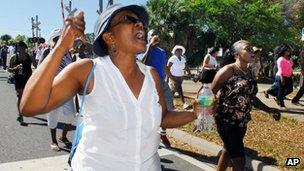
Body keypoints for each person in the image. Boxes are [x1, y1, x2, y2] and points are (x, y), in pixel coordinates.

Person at [20, 4, 197, 170]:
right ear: (109, 37)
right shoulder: (88, 70)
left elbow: (162, 118)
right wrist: (61, 47)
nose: (140, 25)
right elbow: (29, 106)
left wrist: (196, 113)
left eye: (141, 22)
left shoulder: (151, 75)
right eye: (129, 19)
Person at [211, 40, 280, 171]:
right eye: (247, 49)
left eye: (251, 49)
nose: (252, 51)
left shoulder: (248, 72)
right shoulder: (228, 70)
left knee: (227, 150)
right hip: (226, 120)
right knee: (239, 159)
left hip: (242, 121)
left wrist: (269, 110)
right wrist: (201, 117)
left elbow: (251, 97)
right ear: (237, 54)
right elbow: (209, 93)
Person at [39, 29, 76, 151]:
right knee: (52, 115)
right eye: (56, 38)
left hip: (67, 89)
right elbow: (40, 70)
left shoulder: (68, 53)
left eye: (61, 37)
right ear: (53, 40)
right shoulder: (47, 52)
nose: (59, 40)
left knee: (71, 115)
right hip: (52, 88)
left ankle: (63, 136)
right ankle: (53, 141)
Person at [137, 29, 174, 147]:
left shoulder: (162, 52)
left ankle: (163, 133)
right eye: (152, 34)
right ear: (147, 37)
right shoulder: (141, 49)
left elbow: (164, 67)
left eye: (156, 34)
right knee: (149, 112)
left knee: (168, 108)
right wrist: (149, 47)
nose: (155, 36)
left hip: (162, 84)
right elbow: (141, 62)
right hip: (148, 84)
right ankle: (148, 136)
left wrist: (172, 78)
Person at [7, 41, 32, 126]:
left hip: (28, 78)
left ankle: (25, 109)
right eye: (18, 47)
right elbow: (9, 69)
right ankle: (20, 115)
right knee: (20, 96)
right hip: (18, 78)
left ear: (24, 47)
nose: (20, 48)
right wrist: (15, 68)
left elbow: (36, 65)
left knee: (27, 97)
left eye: (21, 47)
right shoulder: (14, 57)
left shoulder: (29, 56)